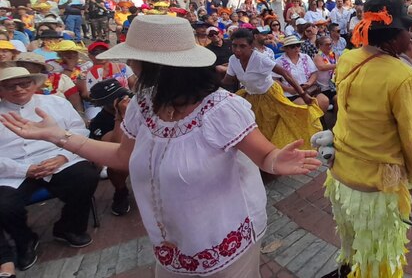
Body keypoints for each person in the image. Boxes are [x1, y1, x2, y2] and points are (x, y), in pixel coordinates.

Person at [0, 16, 322, 277]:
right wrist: (58, 136)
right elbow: (122, 156)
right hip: (172, 245)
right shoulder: (144, 104)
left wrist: (277, 160)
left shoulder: (220, 108)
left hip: (224, 243)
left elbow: (264, 154)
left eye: (134, 58)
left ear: (159, 66)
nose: (128, 63)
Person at [322, 0, 412, 278]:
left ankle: (347, 271)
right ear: (394, 36)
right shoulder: (404, 77)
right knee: (378, 254)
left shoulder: (348, 58)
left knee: (351, 238)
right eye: (409, 30)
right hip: (375, 186)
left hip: (340, 175)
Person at [0, 67, 99, 274]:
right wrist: (23, 169)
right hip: (13, 169)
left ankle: (68, 227)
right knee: (4, 204)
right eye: (10, 86)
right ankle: (24, 240)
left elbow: (79, 130)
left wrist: (62, 157)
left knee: (85, 177)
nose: (18, 89)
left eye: (24, 83)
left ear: (34, 84)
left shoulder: (55, 103)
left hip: (57, 158)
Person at [222, 29, 323, 151]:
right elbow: (229, 79)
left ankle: (276, 156)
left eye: (242, 46)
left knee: (274, 126)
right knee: (256, 128)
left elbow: (286, 74)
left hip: (270, 96)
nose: (238, 50)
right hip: (251, 97)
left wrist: (303, 94)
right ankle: (264, 157)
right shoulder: (233, 60)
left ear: (251, 46)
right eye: (234, 46)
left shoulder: (260, 59)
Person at [87, 78, 133, 216]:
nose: (123, 99)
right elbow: (116, 146)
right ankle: (121, 192)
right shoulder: (98, 122)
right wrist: (121, 116)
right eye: (116, 98)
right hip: (126, 154)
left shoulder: (139, 105)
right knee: (114, 165)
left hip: (150, 150)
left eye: (123, 94)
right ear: (103, 103)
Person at [275, 37, 330, 113]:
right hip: (291, 93)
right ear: (286, 49)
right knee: (303, 105)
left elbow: (314, 73)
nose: (296, 48)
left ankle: (318, 122)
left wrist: (309, 83)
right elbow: (275, 80)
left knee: (324, 101)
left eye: (298, 45)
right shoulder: (279, 61)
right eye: (292, 46)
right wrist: (288, 89)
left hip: (309, 90)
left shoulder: (305, 57)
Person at [313, 36, 338, 110]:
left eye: (330, 44)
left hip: (334, 86)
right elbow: (322, 67)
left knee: (339, 99)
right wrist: (338, 65)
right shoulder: (318, 56)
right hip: (323, 89)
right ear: (320, 46)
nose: (329, 46)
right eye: (327, 44)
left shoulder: (334, 55)